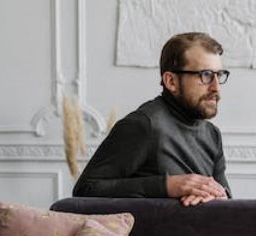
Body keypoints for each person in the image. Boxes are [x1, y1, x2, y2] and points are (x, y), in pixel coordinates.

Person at [73, 32, 231, 207]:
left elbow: (226, 198)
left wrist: (219, 197)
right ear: (171, 81)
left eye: (219, 75)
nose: (216, 87)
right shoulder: (143, 125)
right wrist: (168, 186)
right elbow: (86, 189)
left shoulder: (212, 134)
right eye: (206, 75)